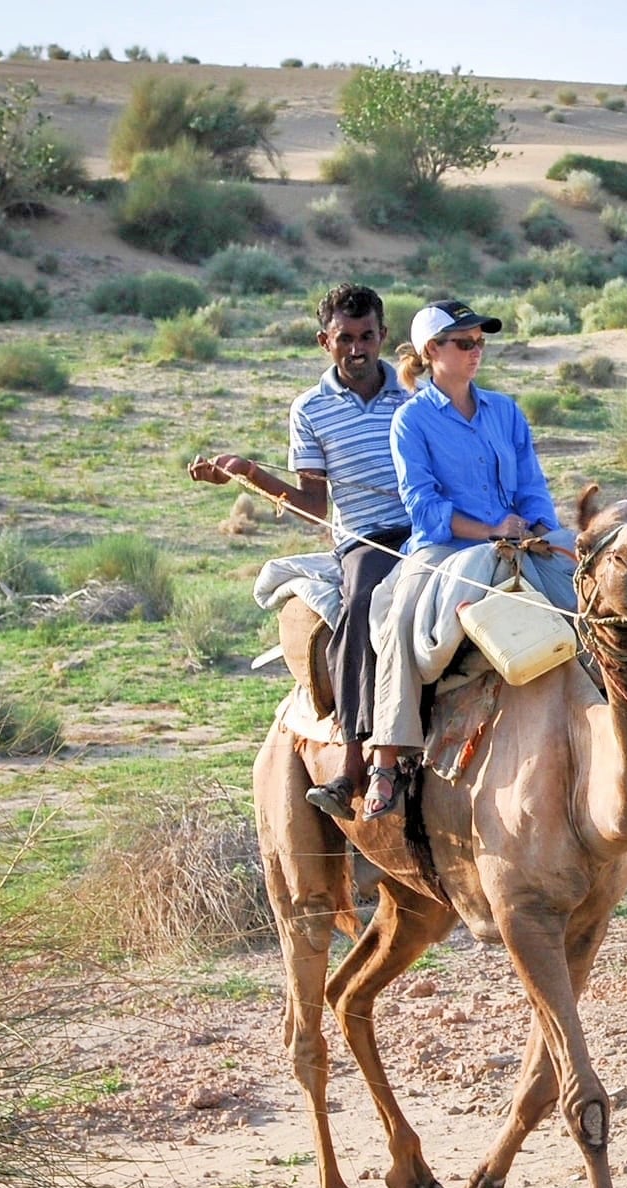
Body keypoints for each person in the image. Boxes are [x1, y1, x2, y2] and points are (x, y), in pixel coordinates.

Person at [194, 284, 411, 820]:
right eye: (345, 339)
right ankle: (357, 764)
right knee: (361, 605)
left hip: (428, 528)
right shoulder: (311, 409)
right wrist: (250, 474)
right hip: (366, 538)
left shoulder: (415, 398)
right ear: (324, 341)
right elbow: (314, 501)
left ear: (383, 336)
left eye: (367, 337)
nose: (357, 349)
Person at [363, 299, 561, 820]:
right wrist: (491, 529)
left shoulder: (505, 411)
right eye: (464, 343)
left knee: (591, 585)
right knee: (401, 618)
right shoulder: (411, 421)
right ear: (432, 352)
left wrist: (545, 532)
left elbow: (533, 485)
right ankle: (386, 757)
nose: (477, 351)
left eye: (480, 341)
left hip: (517, 539)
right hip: (446, 547)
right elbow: (424, 509)